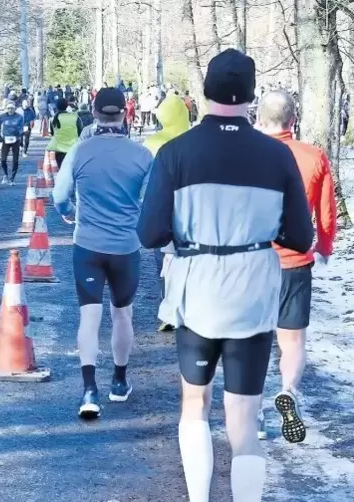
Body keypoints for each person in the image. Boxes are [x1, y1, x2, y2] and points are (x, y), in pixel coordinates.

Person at [137, 49, 313, 502]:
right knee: (245, 421)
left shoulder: (176, 153)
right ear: (252, 97)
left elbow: (150, 233)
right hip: (254, 295)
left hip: (197, 293)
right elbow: (300, 236)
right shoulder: (277, 156)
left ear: (205, 93)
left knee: (195, 406)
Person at [52, 87, 153, 419]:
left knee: (89, 316)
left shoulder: (80, 152)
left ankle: (89, 390)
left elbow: (60, 196)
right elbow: (152, 201)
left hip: (88, 245)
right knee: (122, 314)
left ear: (93, 114)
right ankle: (120, 381)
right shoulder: (142, 154)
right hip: (126, 246)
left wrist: (68, 211)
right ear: (125, 113)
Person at [254, 90, 337, 442]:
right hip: (295, 262)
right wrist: (325, 247)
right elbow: (326, 212)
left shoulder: (247, 155)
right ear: (293, 119)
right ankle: (288, 389)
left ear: (258, 118)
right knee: (292, 340)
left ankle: (254, 413)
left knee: (253, 339)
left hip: (253, 260)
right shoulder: (313, 156)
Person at [142, 94, 190, 333]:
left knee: (163, 259)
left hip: (162, 207)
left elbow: (144, 179)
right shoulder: (194, 140)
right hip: (191, 208)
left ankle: (168, 306)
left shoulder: (151, 142)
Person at [47, 98, 83, 169]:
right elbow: (80, 132)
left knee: (62, 170)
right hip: (73, 149)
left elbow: (52, 134)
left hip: (59, 151)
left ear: (57, 107)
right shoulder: (75, 117)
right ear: (67, 106)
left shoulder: (53, 119)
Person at [0, 100, 24, 185]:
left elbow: (21, 127)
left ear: (14, 109)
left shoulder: (19, 117)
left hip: (15, 139)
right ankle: (5, 175)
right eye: (8, 108)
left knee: (15, 160)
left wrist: (20, 135)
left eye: (12, 108)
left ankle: (12, 179)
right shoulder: (2, 116)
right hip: (6, 139)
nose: (10, 110)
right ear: (6, 109)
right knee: (3, 159)